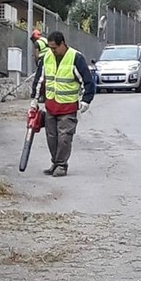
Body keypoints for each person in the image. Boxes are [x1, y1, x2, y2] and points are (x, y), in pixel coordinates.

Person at [30, 31, 95, 177]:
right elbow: (39, 79)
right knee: (52, 137)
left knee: (64, 137)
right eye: (50, 48)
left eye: (54, 48)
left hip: (68, 107)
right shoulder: (47, 57)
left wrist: (86, 100)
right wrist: (34, 99)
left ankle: (61, 165)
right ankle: (55, 162)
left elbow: (87, 81)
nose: (52, 51)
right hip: (51, 106)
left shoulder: (75, 58)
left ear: (62, 44)